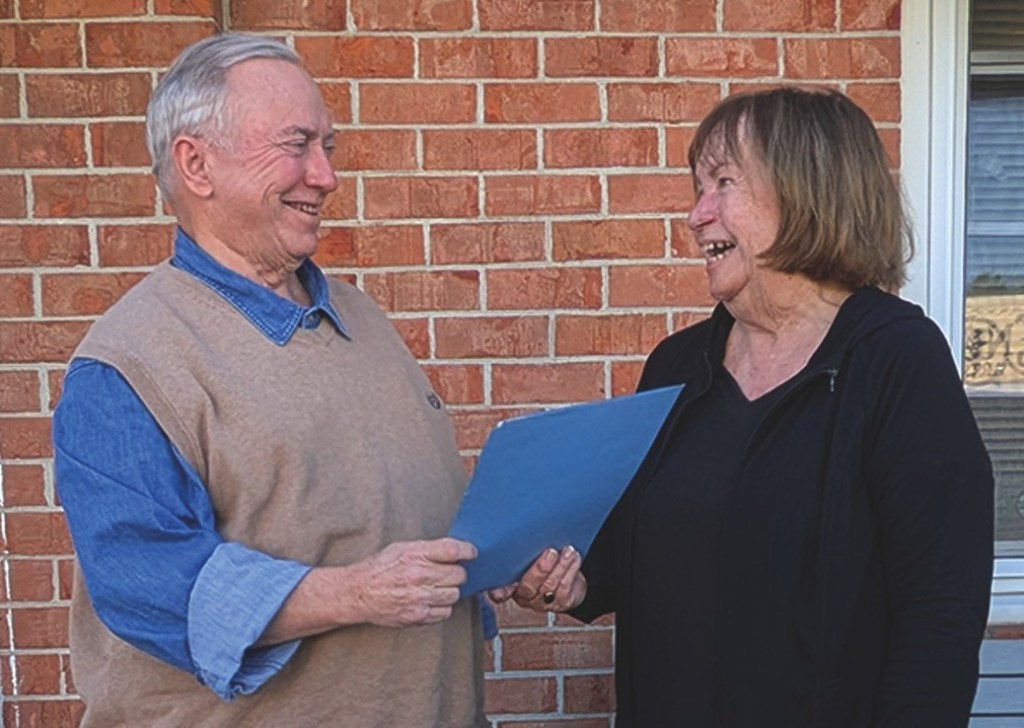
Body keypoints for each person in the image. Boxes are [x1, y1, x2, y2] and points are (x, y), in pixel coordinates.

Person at [492, 87, 994, 727]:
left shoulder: (896, 359)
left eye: (723, 183)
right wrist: (570, 580)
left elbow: (940, 614)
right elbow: (625, 557)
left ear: (807, 191)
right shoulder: (677, 366)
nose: (696, 215)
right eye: (697, 187)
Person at [52, 32, 487, 727]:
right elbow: (152, 585)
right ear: (196, 166)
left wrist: (501, 558)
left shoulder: (360, 317)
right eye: (297, 145)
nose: (325, 175)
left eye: (329, 147)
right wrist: (355, 595)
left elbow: (398, 512)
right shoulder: (129, 365)